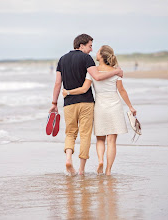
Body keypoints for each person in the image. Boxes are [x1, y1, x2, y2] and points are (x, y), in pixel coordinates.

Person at [49, 34, 123, 176]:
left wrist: (54, 103)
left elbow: (58, 83)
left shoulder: (62, 59)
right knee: (85, 135)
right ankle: (81, 170)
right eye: (89, 46)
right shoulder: (86, 58)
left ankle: (68, 159)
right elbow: (97, 76)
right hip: (86, 103)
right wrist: (117, 71)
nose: (91, 50)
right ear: (81, 45)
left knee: (70, 133)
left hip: (68, 104)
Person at [62, 45, 137, 175]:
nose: (95, 52)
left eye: (97, 51)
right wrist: (130, 106)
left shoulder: (92, 71)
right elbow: (122, 91)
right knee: (112, 141)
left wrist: (68, 92)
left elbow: (84, 89)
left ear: (101, 56)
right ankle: (108, 170)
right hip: (114, 106)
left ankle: (101, 161)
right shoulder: (116, 71)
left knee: (100, 139)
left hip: (100, 107)